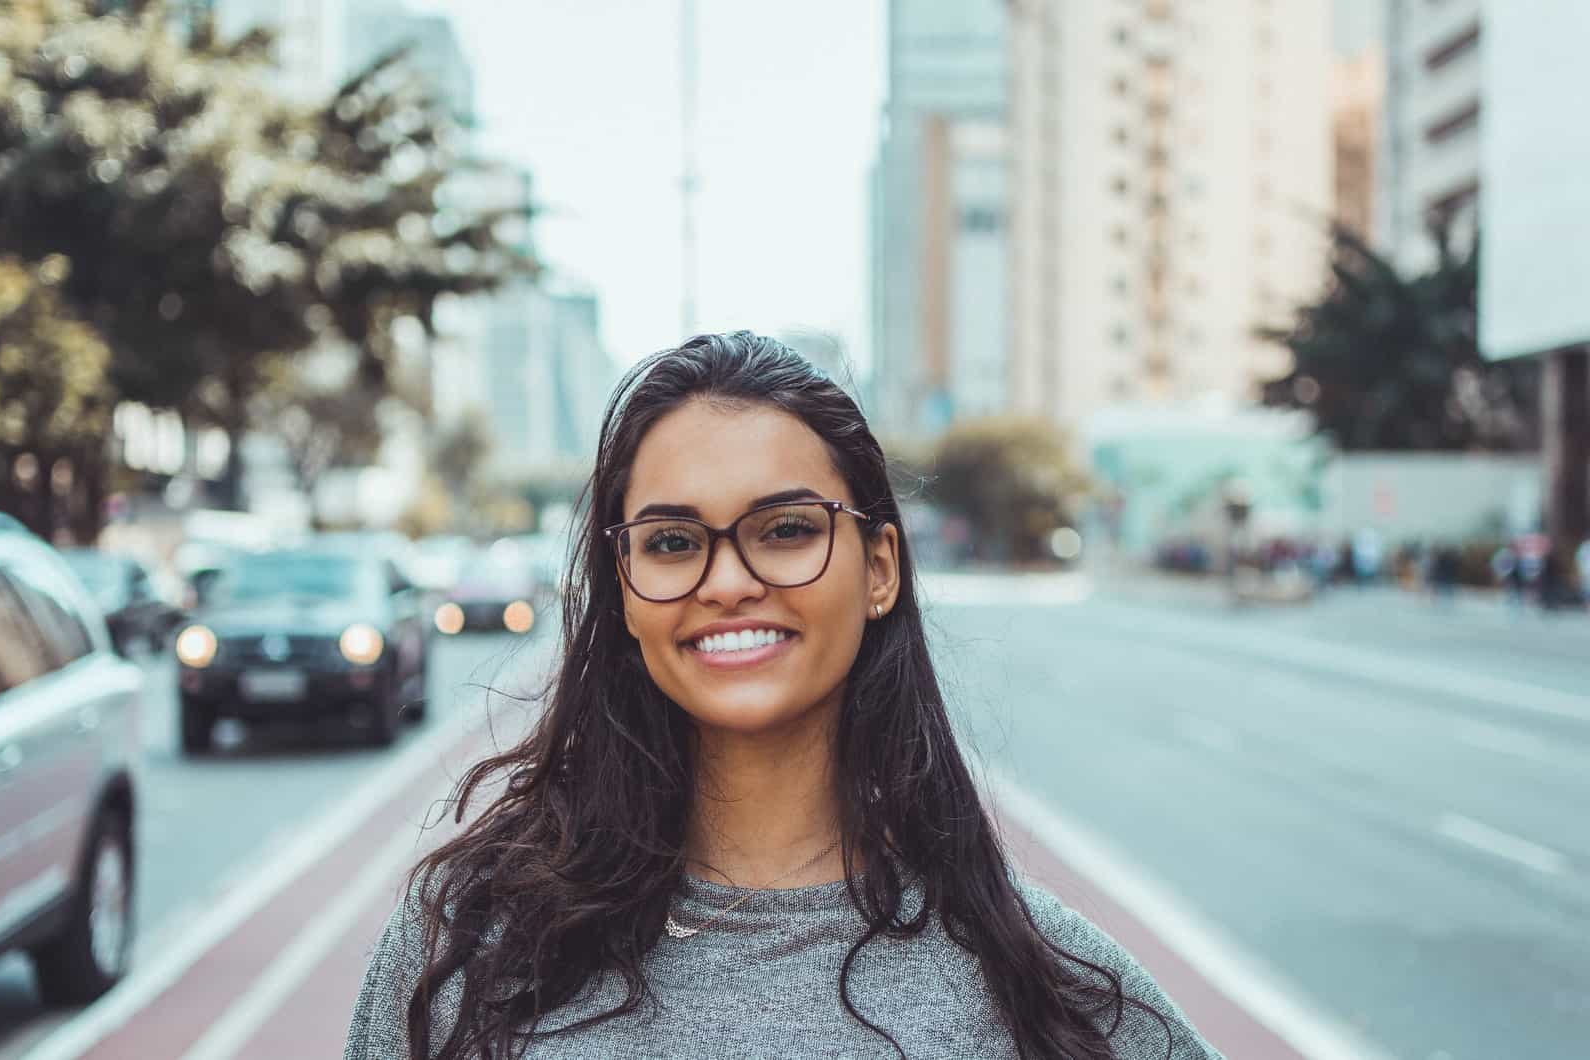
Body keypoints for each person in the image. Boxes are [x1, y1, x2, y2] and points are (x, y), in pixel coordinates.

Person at [344, 333, 1221, 1059]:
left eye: (788, 530)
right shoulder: (464, 950)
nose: (727, 581)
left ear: (878, 568)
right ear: (622, 588)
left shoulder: (1049, 992)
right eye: (674, 541)